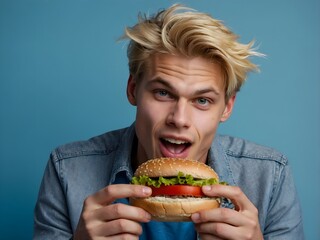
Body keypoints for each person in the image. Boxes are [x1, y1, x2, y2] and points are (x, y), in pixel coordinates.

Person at [33, 4, 304, 240]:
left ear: (227, 107)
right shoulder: (67, 169)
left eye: (202, 100)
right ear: (132, 90)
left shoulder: (271, 176)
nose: (179, 119)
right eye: (163, 93)